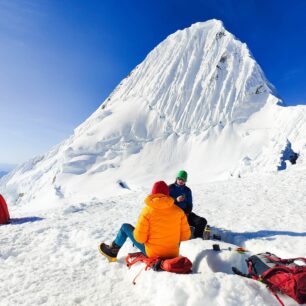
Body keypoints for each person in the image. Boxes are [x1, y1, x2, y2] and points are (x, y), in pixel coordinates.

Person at [99, 181, 191, 262]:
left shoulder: (147, 211)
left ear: (153, 193)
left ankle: (112, 251)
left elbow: (139, 238)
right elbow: (185, 236)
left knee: (125, 227)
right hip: (173, 254)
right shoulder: (179, 211)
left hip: (153, 253)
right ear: (167, 193)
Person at [169, 170, 207, 239]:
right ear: (176, 178)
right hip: (172, 215)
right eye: (179, 179)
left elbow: (189, 204)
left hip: (184, 214)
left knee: (202, 221)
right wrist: (176, 200)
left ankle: (197, 240)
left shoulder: (187, 190)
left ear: (185, 181)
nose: (181, 181)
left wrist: (187, 213)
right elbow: (165, 202)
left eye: (183, 180)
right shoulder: (170, 188)